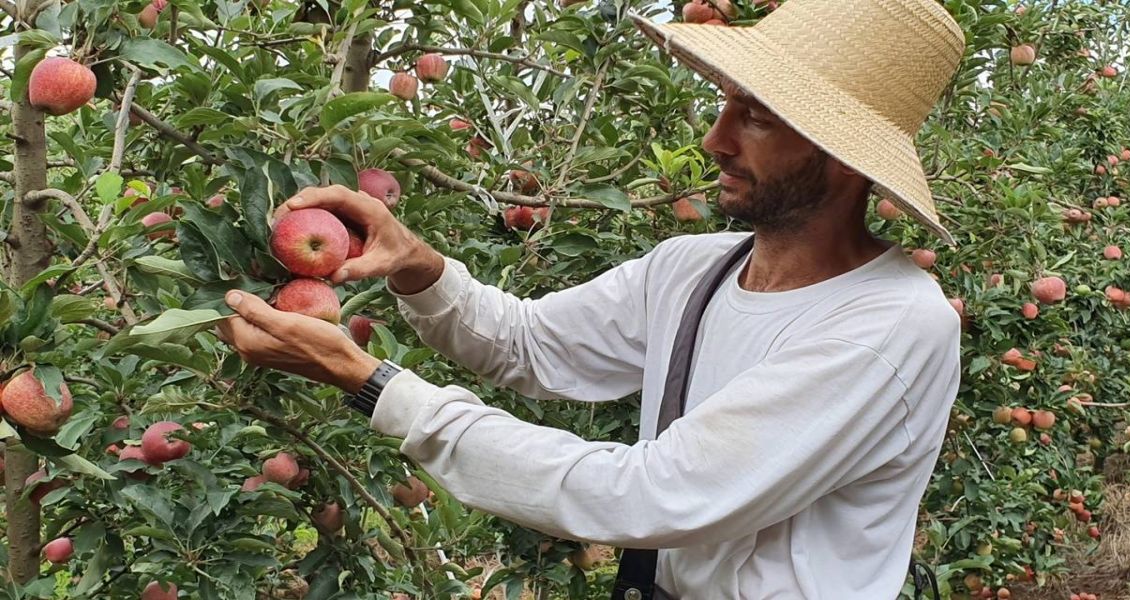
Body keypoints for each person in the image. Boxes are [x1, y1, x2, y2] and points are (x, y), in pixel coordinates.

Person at [217, 0, 966, 597]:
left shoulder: (893, 326)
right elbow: (529, 344)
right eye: (727, 104)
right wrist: (417, 265)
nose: (715, 138)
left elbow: (647, 497)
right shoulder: (692, 269)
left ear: (843, 159)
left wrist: (371, 385)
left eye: (757, 116)